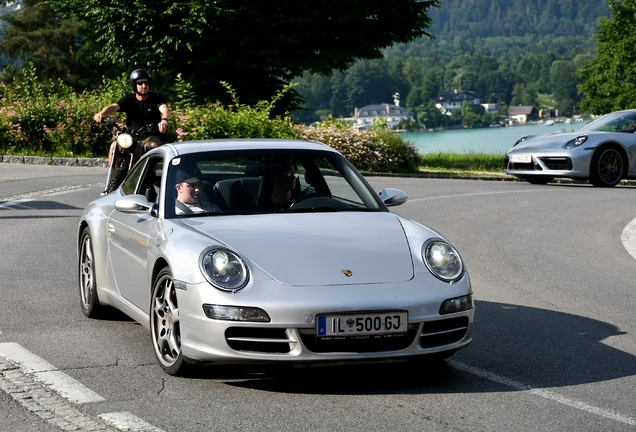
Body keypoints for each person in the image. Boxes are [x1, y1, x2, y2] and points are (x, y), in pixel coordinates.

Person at [94, 69, 170, 167]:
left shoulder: (155, 98)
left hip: (150, 135)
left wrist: (164, 120)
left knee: (152, 147)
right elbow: (113, 107)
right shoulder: (129, 99)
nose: (144, 86)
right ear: (134, 85)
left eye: (146, 83)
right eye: (140, 83)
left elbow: (164, 109)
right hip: (131, 136)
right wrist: (101, 114)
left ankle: (150, 176)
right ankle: (113, 175)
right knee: (114, 146)